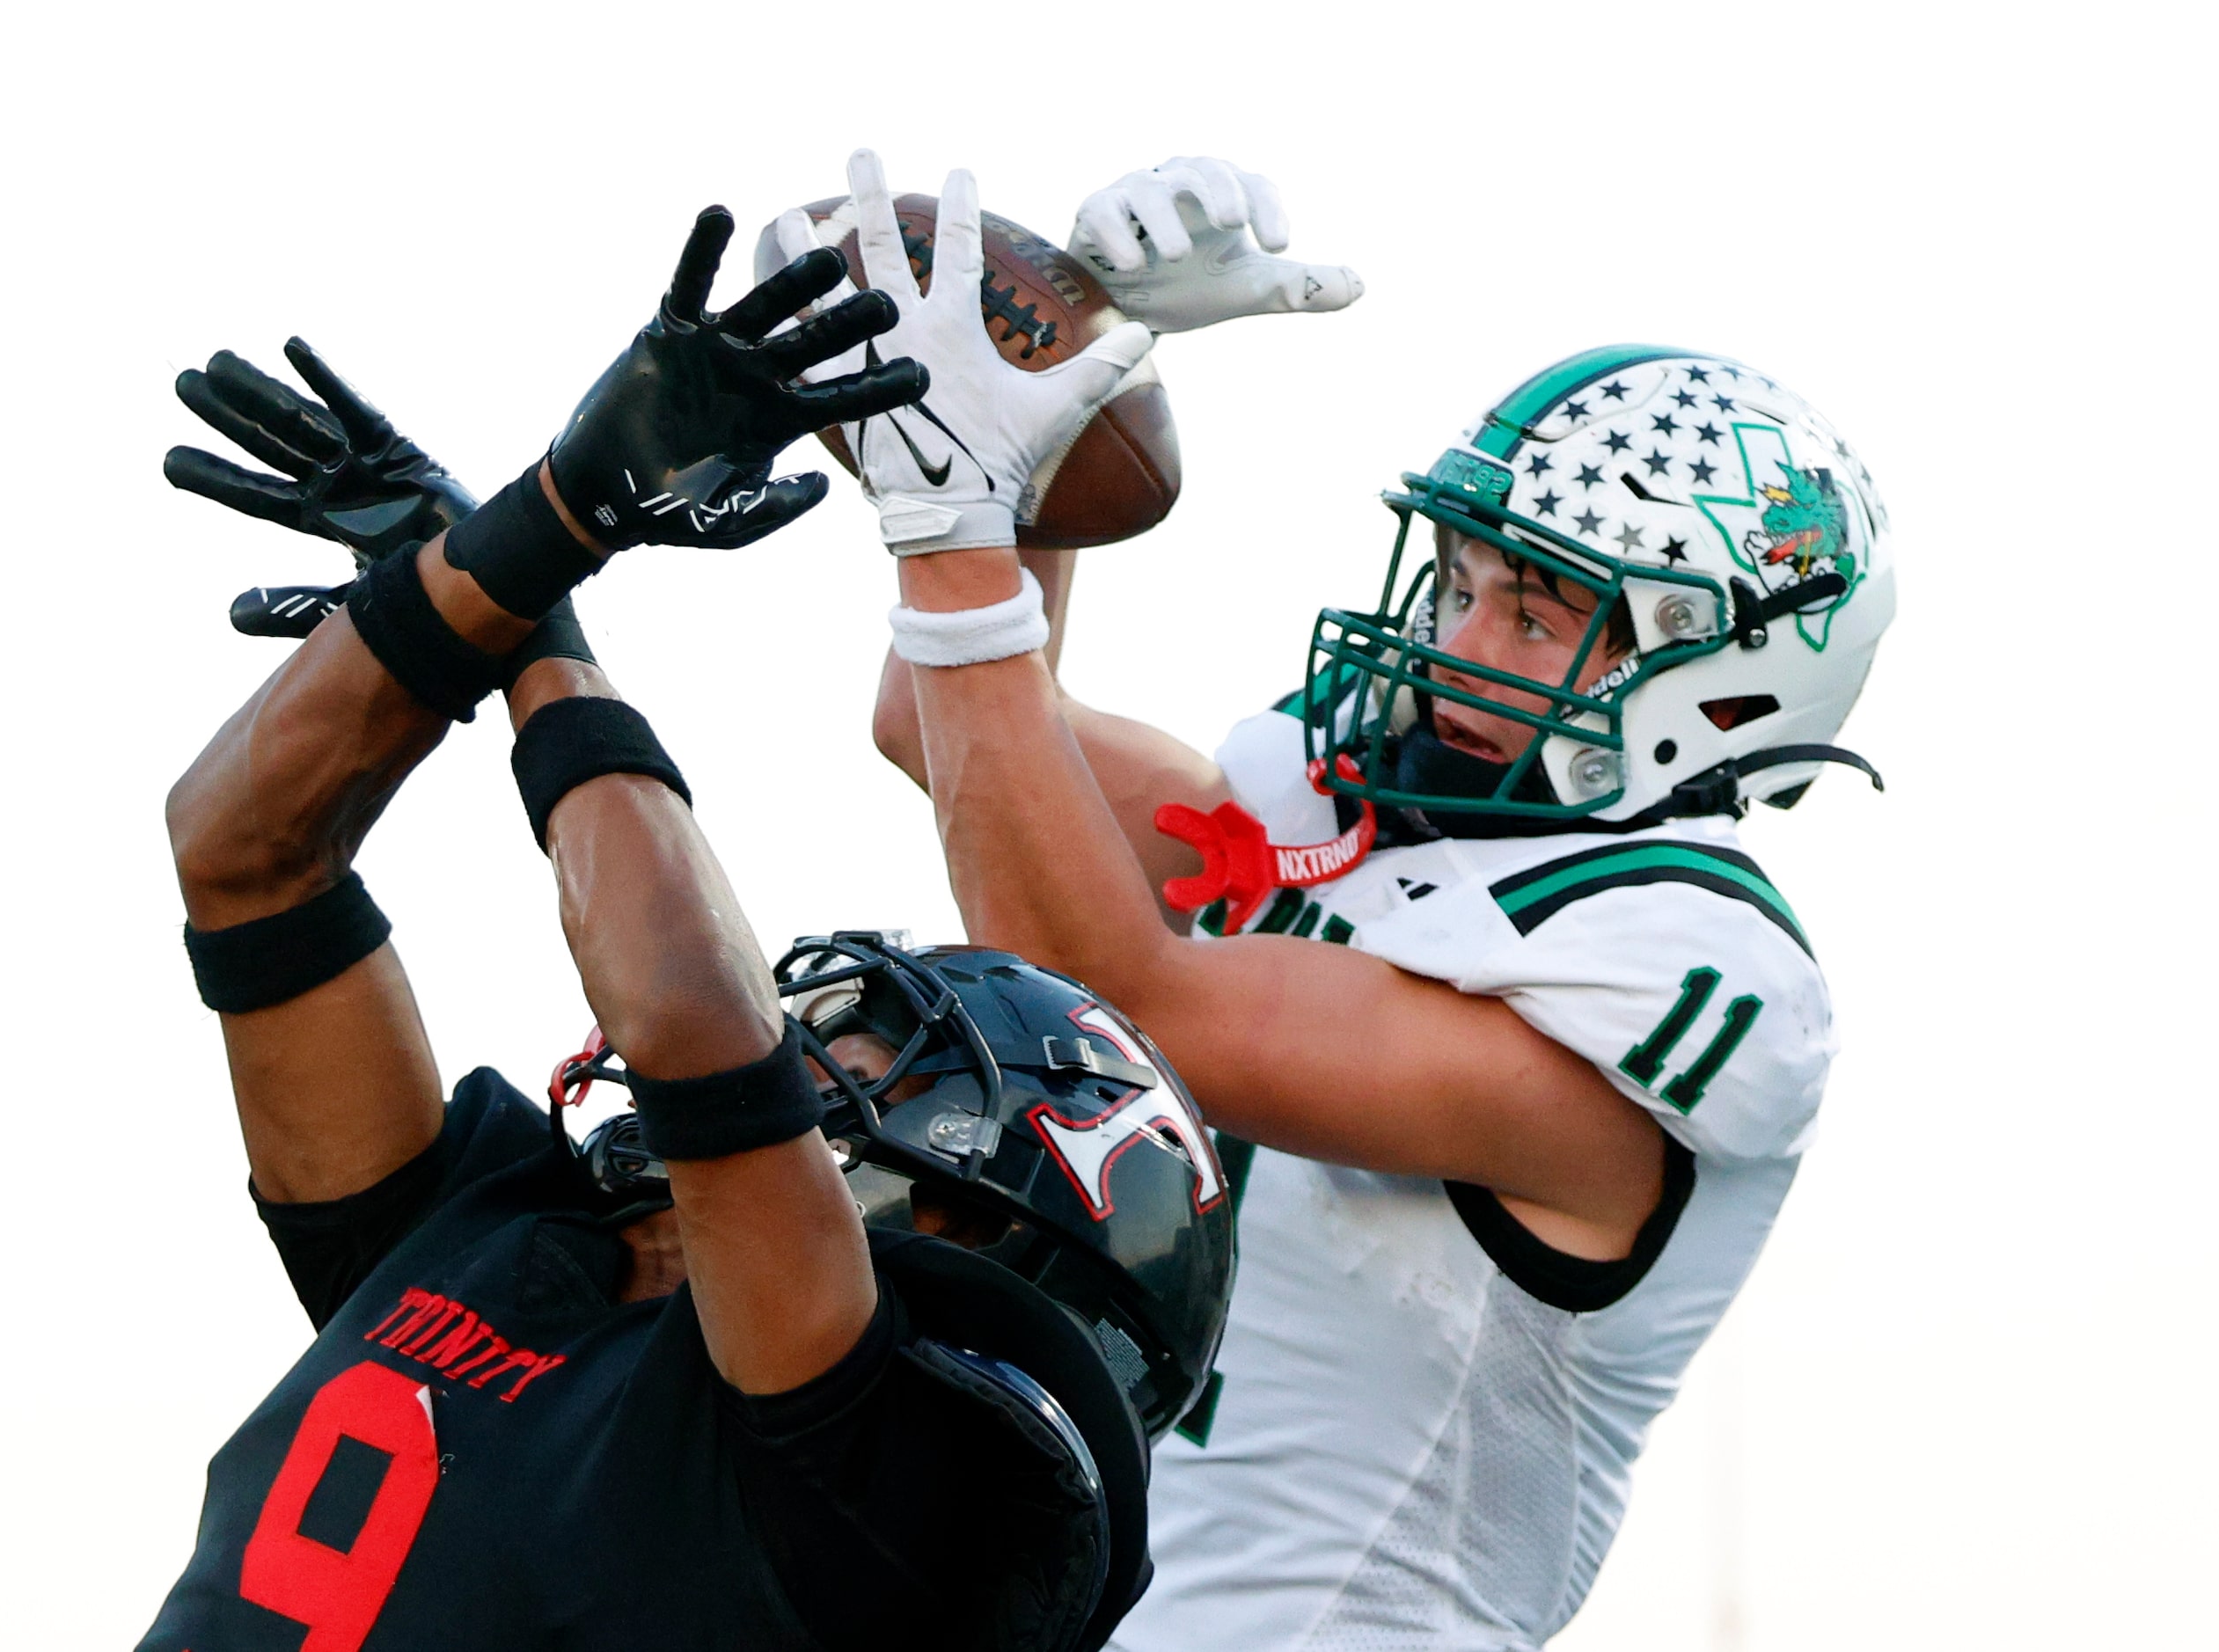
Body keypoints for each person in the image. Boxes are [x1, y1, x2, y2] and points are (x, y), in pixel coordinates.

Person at [785, 151, 1895, 1648]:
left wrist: (963, 529)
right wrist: (1066, 395)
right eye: (1461, 575)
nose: (1462, 631)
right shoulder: (1346, 818)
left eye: (1535, 607)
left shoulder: (1671, 967)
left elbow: (1112, 993)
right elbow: (951, 727)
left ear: (1713, 672)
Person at [140, 207, 1233, 1652]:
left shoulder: (882, 1478)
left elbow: (695, 1030)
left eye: (857, 1043)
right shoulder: (497, 1227)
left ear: (978, 1196)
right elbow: (243, 857)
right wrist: (495, 551)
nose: (799, 1035)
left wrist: (549, 560)